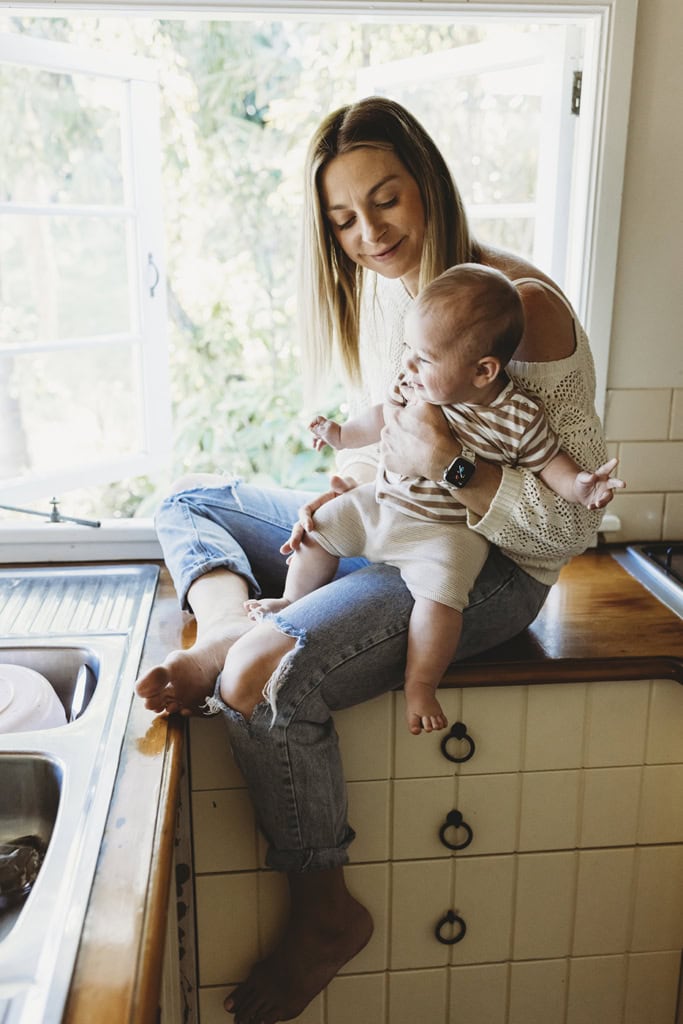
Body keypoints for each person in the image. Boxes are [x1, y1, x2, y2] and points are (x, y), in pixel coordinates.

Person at [136, 97, 617, 1024]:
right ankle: (236, 617)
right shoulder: (400, 295)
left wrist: (452, 466)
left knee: (260, 682)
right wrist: (340, 487)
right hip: (395, 522)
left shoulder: (526, 314)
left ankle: (324, 912)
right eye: (343, 219)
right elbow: (392, 443)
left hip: (483, 571)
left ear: (427, 183)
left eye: (385, 200)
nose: (367, 234)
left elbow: (565, 533)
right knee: (190, 500)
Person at [238, 263, 622, 737]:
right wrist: (341, 435)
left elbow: (551, 464)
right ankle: (292, 600)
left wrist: (583, 486)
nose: (410, 367)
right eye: (411, 354)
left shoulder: (519, 416)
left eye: (424, 358)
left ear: (483, 370)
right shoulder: (417, 384)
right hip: (385, 506)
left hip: (446, 534)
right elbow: (383, 417)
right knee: (317, 529)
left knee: (440, 603)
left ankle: (421, 683)